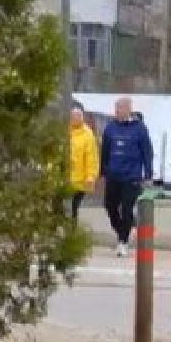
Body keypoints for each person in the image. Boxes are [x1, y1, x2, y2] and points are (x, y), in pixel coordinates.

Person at [99, 98, 153, 256]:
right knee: (110, 206)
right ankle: (124, 229)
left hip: (131, 176)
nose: (117, 112)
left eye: (120, 109)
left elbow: (147, 152)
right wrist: (102, 172)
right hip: (113, 175)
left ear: (128, 110)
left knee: (127, 208)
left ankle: (123, 241)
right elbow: (105, 151)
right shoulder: (110, 128)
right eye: (116, 109)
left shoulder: (139, 128)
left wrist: (148, 174)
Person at [65, 104, 100, 220]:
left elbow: (91, 157)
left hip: (80, 180)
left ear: (82, 117)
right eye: (73, 116)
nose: (75, 118)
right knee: (64, 206)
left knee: (73, 206)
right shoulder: (65, 131)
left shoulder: (88, 135)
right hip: (65, 178)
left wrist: (91, 176)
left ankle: (72, 227)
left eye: (78, 116)